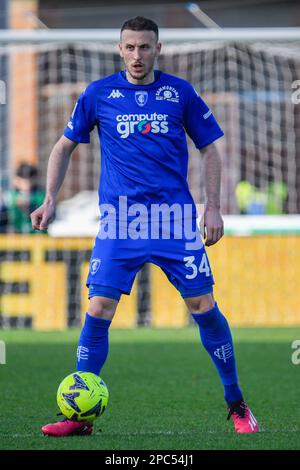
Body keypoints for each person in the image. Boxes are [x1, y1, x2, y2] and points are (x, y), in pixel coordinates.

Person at [31, 16, 259, 437]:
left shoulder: (179, 93)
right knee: (98, 308)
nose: (137, 55)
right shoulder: (99, 95)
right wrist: (48, 199)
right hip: (120, 222)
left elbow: (210, 149)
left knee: (203, 308)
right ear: (120, 50)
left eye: (145, 47)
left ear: (158, 49)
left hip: (174, 222)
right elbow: (63, 147)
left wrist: (213, 207)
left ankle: (237, 404)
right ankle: (79, 418)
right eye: (130, 47)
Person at [6, 162, 45, 233]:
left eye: (30, 178)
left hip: (38, 234)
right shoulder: (11, 195)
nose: (27, 182)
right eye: (23, 179)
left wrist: (30, 205)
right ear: (16, 180)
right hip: (17, 234)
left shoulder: (40, 194)